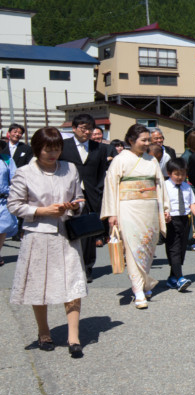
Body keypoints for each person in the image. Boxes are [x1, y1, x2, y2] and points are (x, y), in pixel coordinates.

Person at [8, 127, 87, 358]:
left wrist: (74, 206)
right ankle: (44, 332)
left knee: (72, 283)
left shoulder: (70, 168)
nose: (53, 154)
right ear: (37, 149)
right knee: (39, 285)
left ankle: (74, 336)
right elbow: (14, 205)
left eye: (57, 149)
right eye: (48, 150)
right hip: (38, 235)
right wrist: (42, 210)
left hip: (66, 233)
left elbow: (79, 197)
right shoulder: (24, 173)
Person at [100, 124, 168, 309]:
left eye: (148, 140)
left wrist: (165, 208)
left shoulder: (151, 160)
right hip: (128, 207)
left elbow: (160, 185)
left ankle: (144, 283)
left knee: (147, 246)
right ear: (131, 141)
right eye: (143, 140)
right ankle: (138, 290)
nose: (147, 144)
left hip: (150, 208)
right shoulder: (120, 160)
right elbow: (111, 186)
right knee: (133, 247)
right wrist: (112, 213)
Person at [60, 113, 109, 282]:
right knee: (66, 230)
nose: (87, 132)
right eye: (83, 128)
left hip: (90, 194)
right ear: (74, 128)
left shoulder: (100, 148)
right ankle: (68, 267)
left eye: (90, 128)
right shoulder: (63, 146)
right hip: (67, 194)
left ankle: (87, 268)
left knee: (88, 233)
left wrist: (98, 190)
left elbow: (102, 172)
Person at [162, 157, 195, 292]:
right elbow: (160, 203)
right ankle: (180, 277)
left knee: (181, 248)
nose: (180, 177)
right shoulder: (164, 186)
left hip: (184, 219)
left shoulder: (186, 186)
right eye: (177, 174)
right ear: (169, 173)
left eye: (182, 174)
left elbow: (191, 204)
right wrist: (164, 214)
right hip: (171, 219)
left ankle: (172, 278)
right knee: (174, 248)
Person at [0, 153, 20, 265]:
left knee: (3, 227)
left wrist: (11, 191)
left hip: (3, 199)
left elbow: (15, 178)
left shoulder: (7, 160)